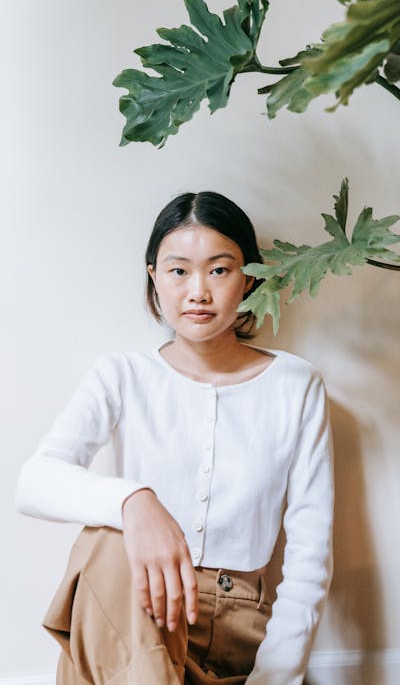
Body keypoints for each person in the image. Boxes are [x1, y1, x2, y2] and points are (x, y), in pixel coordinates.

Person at [16, 191, 334, 685]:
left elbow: (311, 552)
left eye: (219, 270)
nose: (198, 291)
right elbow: (33, 482)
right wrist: (134, 501)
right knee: (109, 542)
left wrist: (278, 676)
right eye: (179, 270)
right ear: (154, 278)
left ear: (250, 276)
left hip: (235, 626)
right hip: (135, 607)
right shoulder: (120, 375)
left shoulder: (297, 384)